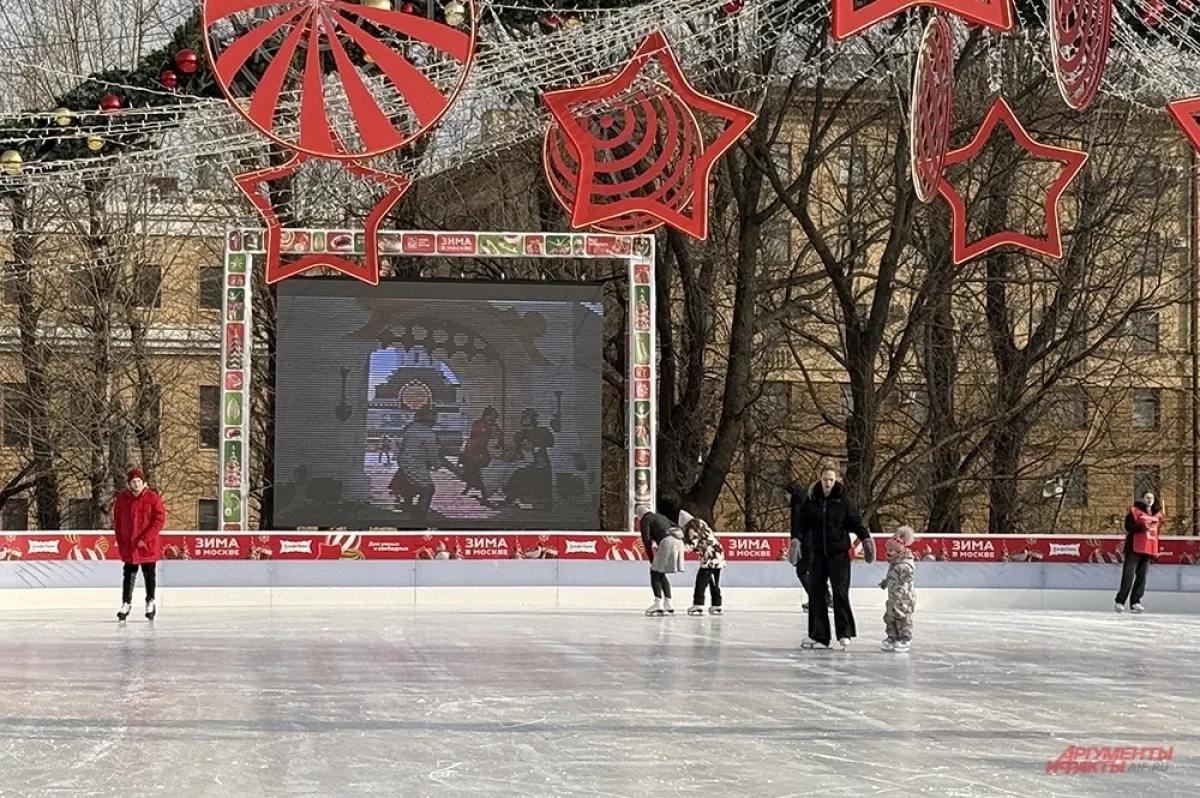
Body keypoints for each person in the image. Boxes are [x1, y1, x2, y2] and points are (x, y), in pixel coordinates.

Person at [797, 465, 874, 650]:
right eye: (825, 479)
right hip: (817, 554)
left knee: (840, 592)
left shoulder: (844, 502)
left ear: (836, 480)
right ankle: (818, 635)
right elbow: (801, 524)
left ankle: (844, 632)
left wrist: (865, 539)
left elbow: (855, 522)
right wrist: (795, 540)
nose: (828, 483)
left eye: (831, 479)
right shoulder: (811, 500)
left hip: (838, 554)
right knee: (816, 593)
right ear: (820, 479)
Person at [112, 467, 166, 622]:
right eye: (133, 482)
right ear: (129, 484)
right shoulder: (122, 499)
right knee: (128, 574)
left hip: (147, 545)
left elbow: (159, 520)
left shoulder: (152, 497)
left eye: (138, 481)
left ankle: (150, 601)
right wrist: (120, 540)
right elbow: (117, 521)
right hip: (129, 544)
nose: (136, 484)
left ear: (144, 483)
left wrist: (146, 538)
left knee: (149, 574)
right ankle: (126, 603)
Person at [390, 406, 440, 524]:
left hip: (404, 463)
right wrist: (437, 465)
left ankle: (409, 509)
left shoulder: (410, 429)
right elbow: (432, 454)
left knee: (411, 488)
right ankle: (420, 517)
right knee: (428, 489)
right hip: (416, 465)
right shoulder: (428, 434)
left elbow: (400, 446)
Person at [1116, 491, 1162, 614]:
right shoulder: (1134, 512)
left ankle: (1135, 602)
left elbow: (1156, 533)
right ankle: (1120, 601)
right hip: (1134, 548)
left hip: (1148, 549)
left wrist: (1155, 550)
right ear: (1142, 499)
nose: (1149, 500)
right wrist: (1142, 527)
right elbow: (1128, 527)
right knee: (1128, 576)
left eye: (1151, 498)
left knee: (1142, 577)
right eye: (1147, 497)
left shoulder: (1157, 515)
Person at [639, 505, 685, 616]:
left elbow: (646, 540)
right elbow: (678, 527)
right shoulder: (661, 517)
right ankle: (669, 603)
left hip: (666, 542)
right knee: (660, 572)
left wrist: (651, 558)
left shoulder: (646, 519)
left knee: (654, 572)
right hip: (678, 542)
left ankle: (657, 603)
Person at [880, 525, 916, 653]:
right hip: (893, 597)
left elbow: (906, 580)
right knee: (890, 616)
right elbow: (892, 576)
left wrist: (901, 591)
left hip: (904, 599)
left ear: (899, 551)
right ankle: (892, 636)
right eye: (888, 549)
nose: (888, 552)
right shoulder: (895, 563)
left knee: (903, 616)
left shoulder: (905, 565)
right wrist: (886, 582)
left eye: (891, 550)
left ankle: (905, 637)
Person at [681, 511, 725, 615]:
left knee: (701, 581)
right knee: (714, 581)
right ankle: (716, 604)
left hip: (709, 558)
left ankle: (698, 604)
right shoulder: (702, 524)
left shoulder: (692, 528)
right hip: (718, 555)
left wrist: (681, 548)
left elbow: (693, 543)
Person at [461, 407, 498, 504]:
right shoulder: (477, 424)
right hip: (473, 451)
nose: (492, 419)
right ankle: (470, 485)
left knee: (478, 472)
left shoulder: (493, 426)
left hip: (483, 452)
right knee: (469, 469)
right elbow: (474, 435)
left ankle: (484, 492)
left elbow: (496, 437)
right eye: (491, 416)